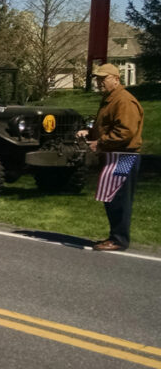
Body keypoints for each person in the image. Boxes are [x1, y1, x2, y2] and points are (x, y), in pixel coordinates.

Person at [77, 63, 144, 252]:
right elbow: (107, 126)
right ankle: (115, 236)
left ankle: (119, 239)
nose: (99, 83)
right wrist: (90, 133)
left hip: (124, 156)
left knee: (118, 197)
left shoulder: (124, 101)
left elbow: (125, 132)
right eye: (97, 79)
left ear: (116, 79)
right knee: (111, 196)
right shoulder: (111, 99)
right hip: (115, 154)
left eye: (103, 79)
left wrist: (100, 143)